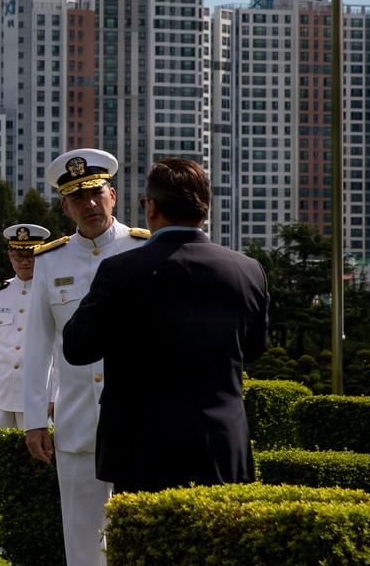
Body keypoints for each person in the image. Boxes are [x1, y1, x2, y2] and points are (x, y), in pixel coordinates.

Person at [63, 157, 269, 494]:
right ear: (204, 208)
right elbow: (254, 348)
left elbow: (77, 347)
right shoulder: (248, 271)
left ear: (152, 208)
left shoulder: (120, 272)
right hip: (220, 445)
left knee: (143, 546)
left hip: (141, 449)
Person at [22, 149, 148, 566]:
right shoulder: (50, 262)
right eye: (79, 198)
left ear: (113, 195)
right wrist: (35, 419)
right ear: (65, 208)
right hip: (78, 425)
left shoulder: (143, 248)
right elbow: (38, 345)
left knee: (135, 539)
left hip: (138, 421)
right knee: (80, 541)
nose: (91, 204)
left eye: (97, 193)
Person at [0, 222, 50, 552]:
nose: (24, 262)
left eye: (30, 255)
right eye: (18, 255)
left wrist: (55, 396)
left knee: (41, 470)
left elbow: (60, 348)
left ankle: (38, 546)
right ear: (9, 256)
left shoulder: (51, 292)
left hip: (38, 398)